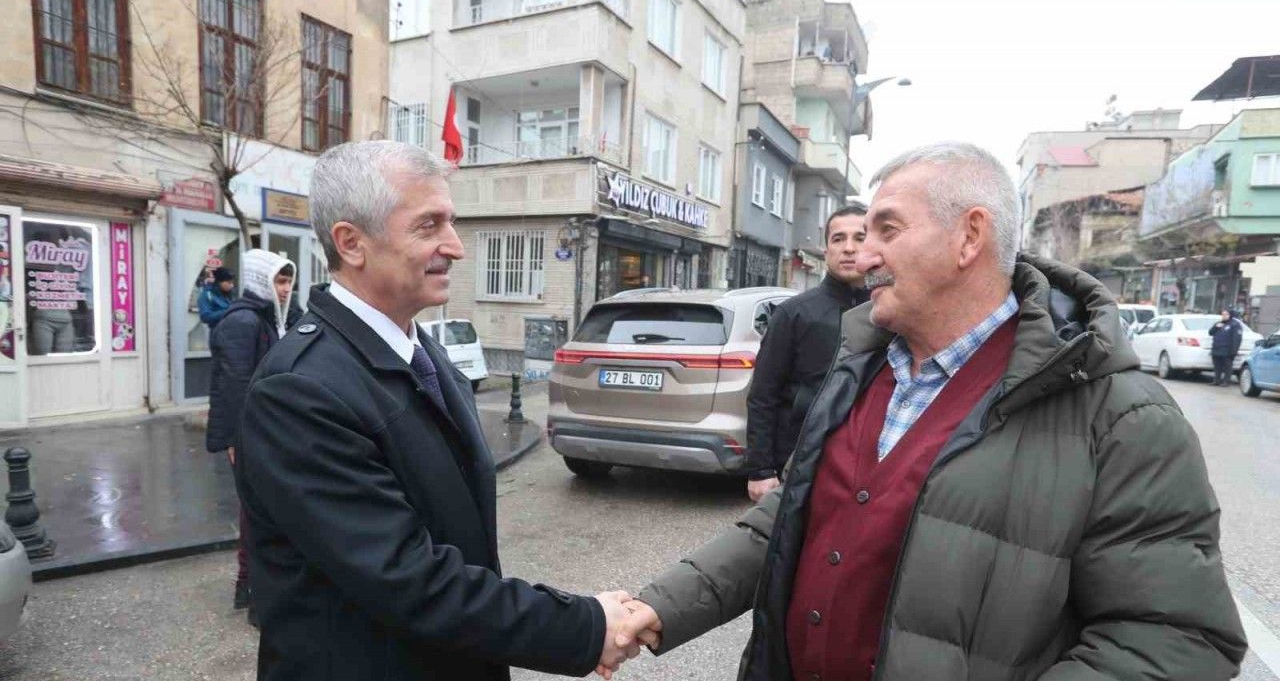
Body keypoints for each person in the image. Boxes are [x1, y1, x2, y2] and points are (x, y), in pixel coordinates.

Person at [613, 142, 1247, 681]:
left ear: (969, 236)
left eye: (887, 230)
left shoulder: (1120, 416)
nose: (864, 256)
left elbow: (1175, 638)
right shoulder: (861, 366)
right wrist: (659, 608)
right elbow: (788, 520)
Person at [236, 141, 637, 681]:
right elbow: (408, 579)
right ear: (351, 243)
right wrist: (584, 627)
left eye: (451, 222)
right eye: (428, 226)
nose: (456, 247)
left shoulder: (423, 352)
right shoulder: (299, 391)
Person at [745, 206, 869, 501]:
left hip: (866, 469)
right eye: (838, 239)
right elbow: (763, 395)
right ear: (826, 251)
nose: (849, 248)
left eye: (860, 238)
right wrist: (761, 469)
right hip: (800, 465)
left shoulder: (891, 313)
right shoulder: (794, 314)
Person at [205, 249, 302, 625]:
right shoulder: (243, 321)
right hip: (253, 435)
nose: (286, 288)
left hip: (279, 432)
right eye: (279, 280)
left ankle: (254, 587)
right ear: (262, 280)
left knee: (270, 512)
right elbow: (234, 385)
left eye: (289, 280)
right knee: (259, 515)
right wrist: (235, 440)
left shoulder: (281, 317)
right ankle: (254, 594)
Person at [1208, 308, 1242, 387]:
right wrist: (1216, 327)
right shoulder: (1219, 323)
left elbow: (1236, 339)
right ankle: (1216, 380)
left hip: (1227, 349)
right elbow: (1210, 333)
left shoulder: (1235, 324)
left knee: (1227, 366)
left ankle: (1226, 381)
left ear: (1230, 315)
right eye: (1223, 314)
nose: (1224, 316)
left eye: (1226, 314)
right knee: (1217, 366)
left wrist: (1234, 351)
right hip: (1217, 348)